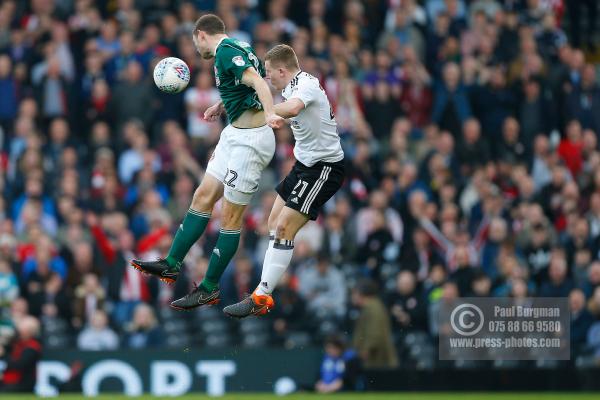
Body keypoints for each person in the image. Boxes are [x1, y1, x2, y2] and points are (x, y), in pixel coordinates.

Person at [131, 14, 284, 310]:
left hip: (251, 141)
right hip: (233, 133)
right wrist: (220, 104)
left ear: (201, 35)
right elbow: (248, 84)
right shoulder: (237, 47)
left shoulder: (225, 52)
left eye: (193, 41)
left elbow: (258, 83)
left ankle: (209, 288)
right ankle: (172, 263)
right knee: (202, 196)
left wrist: (269, 113)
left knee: (229, 216)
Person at [223, 44, 345, 317]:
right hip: (303, 165)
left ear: (282, 70)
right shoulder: (287, 87)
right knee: (272, 223)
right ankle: (275, 277)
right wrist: (225, 104)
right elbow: (266, 98)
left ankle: (262, 295)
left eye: (269, 73)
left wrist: (269, 112)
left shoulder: (307, 84)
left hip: (324, 168)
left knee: (282, 228)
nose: (267, 78)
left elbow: (293, 107)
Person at [0, 316, 42, 393]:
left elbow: (20, 365)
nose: (18, 332)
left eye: (22, 330)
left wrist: (3, 355)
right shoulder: (18, 344)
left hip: (22, 383)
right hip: (10, 382)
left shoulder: (32, 347)